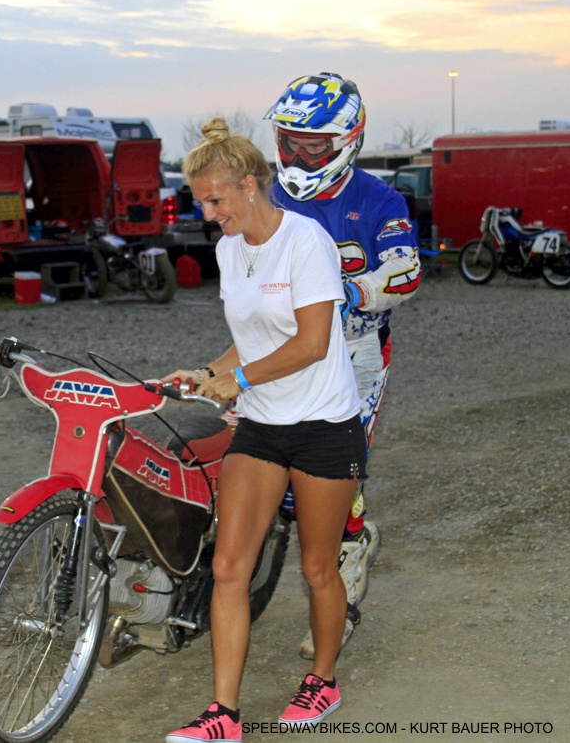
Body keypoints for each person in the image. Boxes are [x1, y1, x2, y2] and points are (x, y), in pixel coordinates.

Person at [163, 118, 367, 741]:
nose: (209, 213)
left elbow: (310, 343)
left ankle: (323, 680)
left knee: (317, 568)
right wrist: (209, 372)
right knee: (229, 567)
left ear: (250, 185)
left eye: (216, 199)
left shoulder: (306, 242)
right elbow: (247, 336)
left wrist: (241, 380)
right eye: (201, 201)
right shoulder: (229, 249)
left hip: (324, 424)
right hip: (261, 425)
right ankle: (223, 715)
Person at [263, 72, 422, 658]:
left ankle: (348, 559)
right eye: (289, 141)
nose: (299, 155)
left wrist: (353, 292)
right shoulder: (269, 195)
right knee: (267, 473)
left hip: (354, 352)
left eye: (313, 144)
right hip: (280, 350)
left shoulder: (379, 199)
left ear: (347, 139)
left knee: (332, 474)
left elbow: (407, 272)